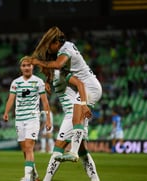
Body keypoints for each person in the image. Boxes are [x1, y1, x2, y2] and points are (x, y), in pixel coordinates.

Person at [31, 26, 102, 162]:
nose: (49, 49)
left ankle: (73, 152)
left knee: (76, 116)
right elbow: (60, 70)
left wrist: (38, 62)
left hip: (89, 87)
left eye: (49, 46)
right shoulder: (65, 49)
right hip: (87, 86)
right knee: (77, 120)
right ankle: (74, 152)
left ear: (56, 43)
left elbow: (58, 65)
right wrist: (48, 80)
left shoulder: (66, 49)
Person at [43, 69, 100, 181]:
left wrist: (83, 105)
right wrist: (47, 81)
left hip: (73, 113)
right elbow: (51, 75)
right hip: (76, 114)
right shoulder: (53, 74)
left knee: (58, 148)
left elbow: (80, 84)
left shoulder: (60, 72)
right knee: (83, 152)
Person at [3, 56, 52, 181]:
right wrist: (6, 112)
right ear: (21, 68)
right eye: (24, 65)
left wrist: (48, 119)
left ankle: (27, 177)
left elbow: (45, 102)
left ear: (32, 67)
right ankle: (34, 175)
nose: (26, 67)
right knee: (25, 149)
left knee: (29, 146)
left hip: (33, 118)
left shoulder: (39, 82)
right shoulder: (16, 82)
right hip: (19, 119)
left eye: (28, 65)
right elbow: (11, 98)